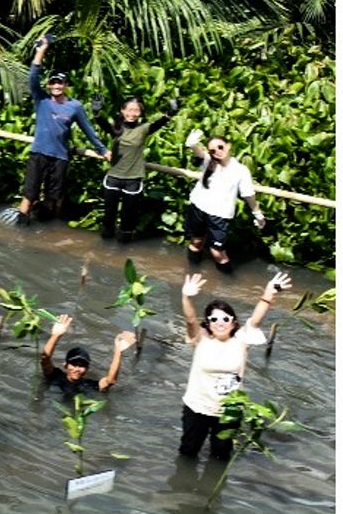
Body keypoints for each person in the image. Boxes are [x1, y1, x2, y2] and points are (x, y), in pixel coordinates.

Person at [178, 271, 288, 458]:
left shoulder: (241, 339)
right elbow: (190, 320)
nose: (220, 323)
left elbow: (256, 320)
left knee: (221, 455)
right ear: (208, 323)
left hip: (230, 409)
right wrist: (186, 297)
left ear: (234, 322)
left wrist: (269, 293)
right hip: (198, 407)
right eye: (214, 319)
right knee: (188, 451)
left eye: (225, 319)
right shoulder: (200, 338)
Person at [11, 36, 108, 224]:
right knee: (29, 195)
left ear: (66, 85)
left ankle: (47, 229)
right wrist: (41, 51)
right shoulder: (42, 99)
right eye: (53, 82)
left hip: (60, 157)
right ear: (49, 85)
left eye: (60, 83)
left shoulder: (75, 106)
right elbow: (33, 77)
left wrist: (103, 150)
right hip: (39, 153)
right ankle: (20, 229)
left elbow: (88, 130)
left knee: (53, 198)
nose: (56, 86)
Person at [183, 133, 265, 272]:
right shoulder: (208, 161)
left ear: (228, 146)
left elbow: (248, 194)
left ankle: (228, 280)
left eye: (220, 147)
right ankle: (191, 273)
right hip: (198, 207)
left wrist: (257, 214)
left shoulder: (240, 170)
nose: (217, 152)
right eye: (213, 150)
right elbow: (199, 153)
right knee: (196, 242)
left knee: (217, 252)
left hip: (219, 215)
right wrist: (192, 144)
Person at [99, 96, 176, 242]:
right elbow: (103, 124)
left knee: (129, 215)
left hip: (133, 178)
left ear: (140, 112)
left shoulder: (143, 129)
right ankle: (105, 242)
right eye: (129, 110)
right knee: (109, 213)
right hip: (114, 176)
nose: (132, 114)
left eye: (136, 110)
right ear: (122, 111)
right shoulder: (116, 128)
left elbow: (159, 123)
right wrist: (96, 112)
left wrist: (171, 112)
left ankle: (124, 243)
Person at [40, 315, 136, 400]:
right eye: (74, 364)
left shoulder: (89, 385)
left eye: (82, 366)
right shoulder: (56, 376)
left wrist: (118, 351)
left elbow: (110, 381)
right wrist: (56, 335)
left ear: (87, 369)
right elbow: (45, 357)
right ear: (65, 365)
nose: (77, 369)